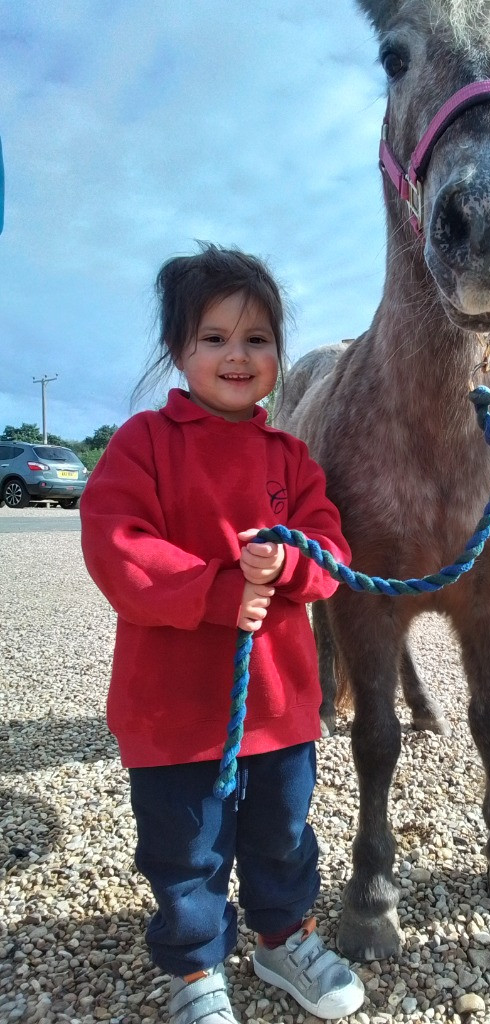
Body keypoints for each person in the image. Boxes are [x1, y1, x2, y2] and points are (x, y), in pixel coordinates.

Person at [80, 245, 365, 1024]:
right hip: (173, 713)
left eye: (257, 338)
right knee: (185, 850)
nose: (236, 355)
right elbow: (116, 544)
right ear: (180, 350)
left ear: (278, 353)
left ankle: (282, 936)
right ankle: (197, 966)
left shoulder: (293, 459)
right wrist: (215, 590)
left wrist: (294, 563)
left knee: (283, 833)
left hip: (278, 708)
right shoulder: (142, 444)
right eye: (214, 337)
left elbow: (331, 551)